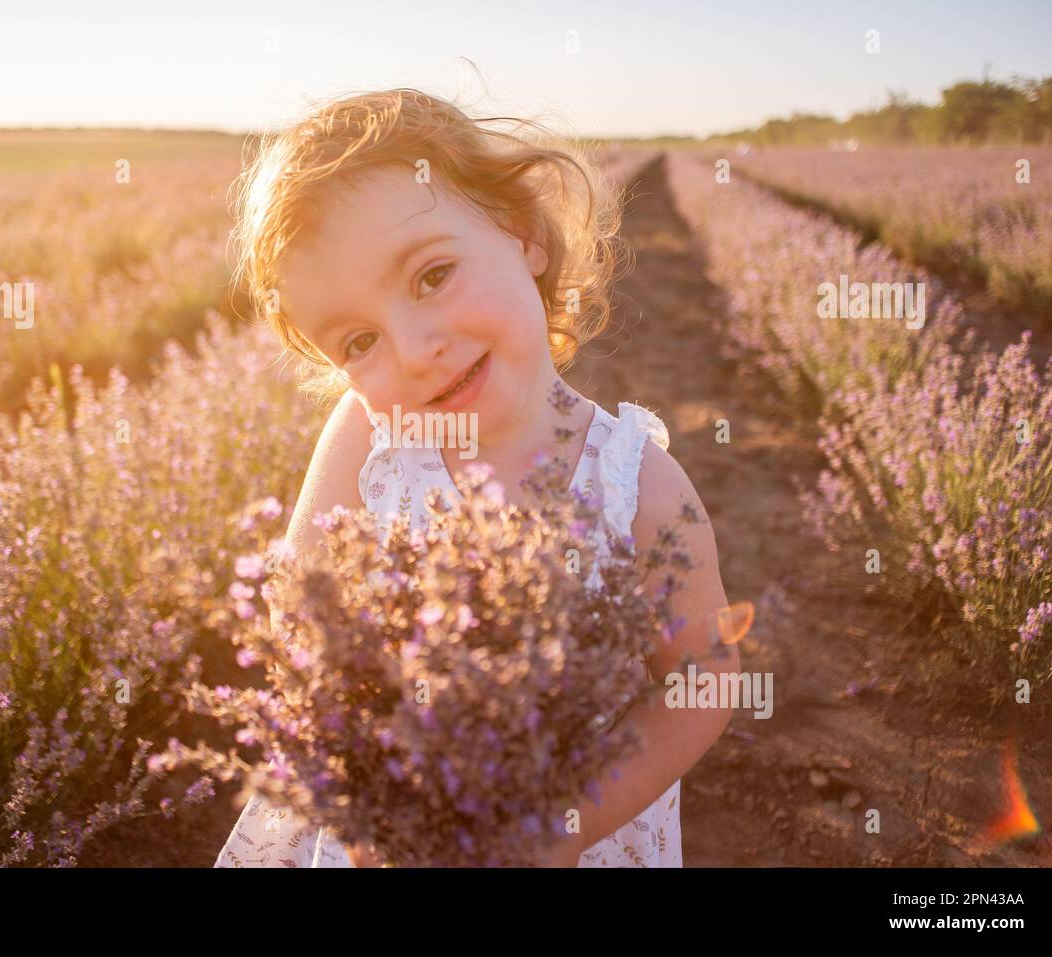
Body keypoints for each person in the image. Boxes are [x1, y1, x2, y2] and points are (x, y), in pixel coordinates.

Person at [214, 88, 735, 867]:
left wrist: (559, 825)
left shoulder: (637, 486)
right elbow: (301, 620)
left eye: (432, 276)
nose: (417, 347)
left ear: (521, 233)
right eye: (359, 339)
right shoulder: (370, 438)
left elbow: (703, 681)